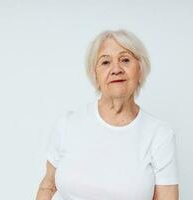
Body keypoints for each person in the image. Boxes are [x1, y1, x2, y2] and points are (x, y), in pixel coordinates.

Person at [36, 29, 179, 200]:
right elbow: (48, 186)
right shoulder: (67, 124)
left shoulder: (159, 135)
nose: (116, 69)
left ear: (140, 70)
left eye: (125, 60)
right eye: (105, 62)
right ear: (94, 74)